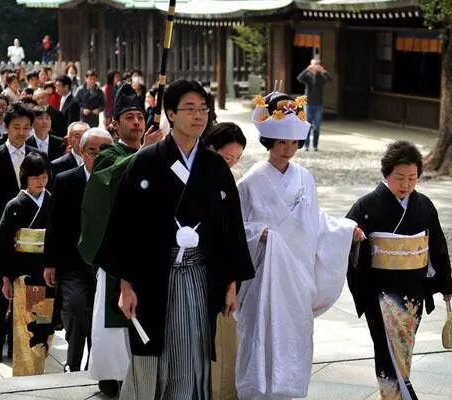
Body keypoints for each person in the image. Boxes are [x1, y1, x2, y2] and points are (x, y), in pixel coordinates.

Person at [100, 79, 254, 400]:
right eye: (189, 109)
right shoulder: (145, 161)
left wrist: (230, 284)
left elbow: (231, 228)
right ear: (170, 113)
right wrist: (125, 285)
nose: (199, 116)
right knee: (150, 357)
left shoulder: (214, 166)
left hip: (199, 275)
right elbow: (124, 225)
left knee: (193, 353)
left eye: (203, 109)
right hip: (152, 277)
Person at [235, 91, 363, 400]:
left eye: (293, 143)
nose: (288, 149)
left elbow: (314, 221)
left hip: (297, 273)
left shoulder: (305, 178)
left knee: (294, 332)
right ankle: (257, 391)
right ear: (269, 143)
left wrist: (346, 230)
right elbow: (237, 228)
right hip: (265, 273)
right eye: (281, 143)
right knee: (260, 332)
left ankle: (287, 390)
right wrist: (259, 234)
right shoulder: (250, 182)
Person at [346, 140, 452, 400]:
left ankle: (397, 393)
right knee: (386, 351)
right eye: (399, 178)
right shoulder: (366, 207)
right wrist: (353, 235)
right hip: (379, 293)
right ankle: (396, 396)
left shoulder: (425, 206)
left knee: (402, 350)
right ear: (386, 174)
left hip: (412, 293)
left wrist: (445, 286)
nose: (405, 185)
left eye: (412, 178)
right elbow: (342, 237)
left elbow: (438, 247)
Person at [79, 83, 163, 398]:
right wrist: (144, 153)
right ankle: (112, 376)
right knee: (113, 317)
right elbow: (107, 179)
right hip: (119, 246)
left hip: (151, 245)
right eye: (129, 117)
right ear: (115, 124)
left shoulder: (157, 152)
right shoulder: (110, 154)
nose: (137, 123)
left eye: (140, 117)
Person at [43, 127, 112, 374]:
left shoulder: (119, 179)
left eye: (105, 150)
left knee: (100, 317)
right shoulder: (65, 180)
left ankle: (96, 364)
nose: (98, 156)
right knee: (74, 306)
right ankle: (73, 362)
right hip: (73, 262)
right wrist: (50, 263)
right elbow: (54, 224)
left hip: (107, 264)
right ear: (81, 152)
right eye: (92, 151)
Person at [0, 101, 39, 364]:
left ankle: (22, 343)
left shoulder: (37, 156)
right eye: (16, 127)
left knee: (28, 291)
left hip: (31, 235)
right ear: (6, 126)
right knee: (0, 292)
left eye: (26, 127)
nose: (21, 132)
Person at [0, 152, 54, 376]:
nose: (41, 181)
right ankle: (27, 375)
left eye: (44, 176)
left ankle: (38, 369)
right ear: (25, 178)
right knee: (27, 328)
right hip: (23, 274)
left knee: (43, 326)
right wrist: (5, 276)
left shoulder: (52, 202)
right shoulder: (14, 205)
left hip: (47, 273)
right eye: (36, 177)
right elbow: (4, 244)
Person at [203, 121, 247, 400]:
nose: (230, 164)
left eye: (236, 159)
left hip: (224, 271)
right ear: (210, 149)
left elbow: (238, 233)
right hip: (192, 268)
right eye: (226, 157)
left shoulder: (236, 179)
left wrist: (232, 283)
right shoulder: (191, 173)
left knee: (226, 342)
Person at [296, 58, 332, 151]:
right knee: (307, 125)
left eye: (317, 64)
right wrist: (307, 69)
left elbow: (330, 79)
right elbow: (299, 78)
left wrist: (323, 71)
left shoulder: (321, 76)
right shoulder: (307, 76)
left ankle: (315, 145)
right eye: (313, 64)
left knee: (317, 126)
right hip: (308, 104)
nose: (315, 66)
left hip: (318, 104)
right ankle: (306, 145)